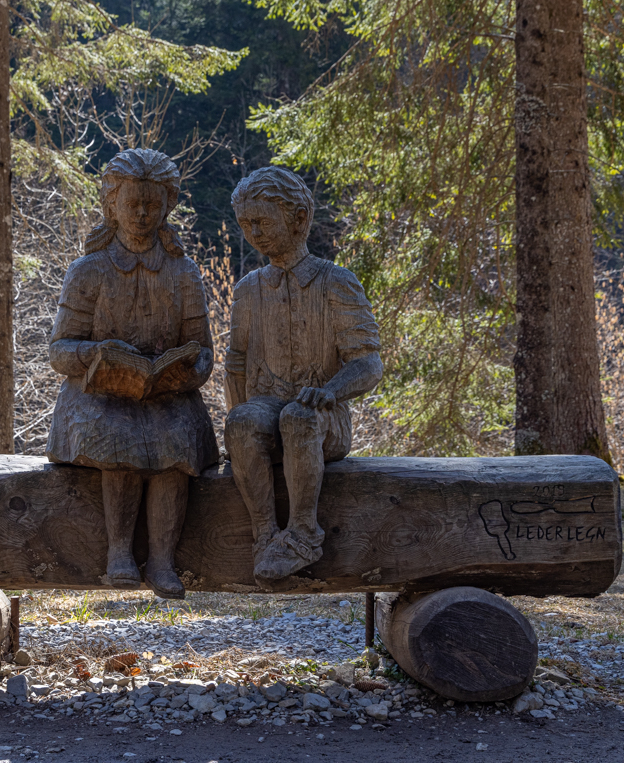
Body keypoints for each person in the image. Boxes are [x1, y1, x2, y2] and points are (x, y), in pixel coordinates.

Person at [47, 148, 218, 599]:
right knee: (116, 436)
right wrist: (94, 354)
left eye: (152, 204)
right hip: (98, 395)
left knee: (177, 439)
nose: (142, 213)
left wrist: (187, 372)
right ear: (112, 205)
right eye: (132, 203)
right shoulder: (87, 271)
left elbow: (204, 352)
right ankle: (119, 550)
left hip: (167, 394)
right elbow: (59, 350)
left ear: (167, 207)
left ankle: (163, 560)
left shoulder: (184, 273)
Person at [225, 166, 384, 584]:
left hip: (322, 418)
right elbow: (236, 362)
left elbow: (368, 363)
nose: (253, 232)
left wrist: (330, 392)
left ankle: (303, 534)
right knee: (241, 422)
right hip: (265, 409)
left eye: (262, 221)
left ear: (299, 219)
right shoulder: (248, 289)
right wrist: (238, 437)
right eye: (245, 224)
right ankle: (265, 533)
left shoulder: (337, 283)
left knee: (298, 417)